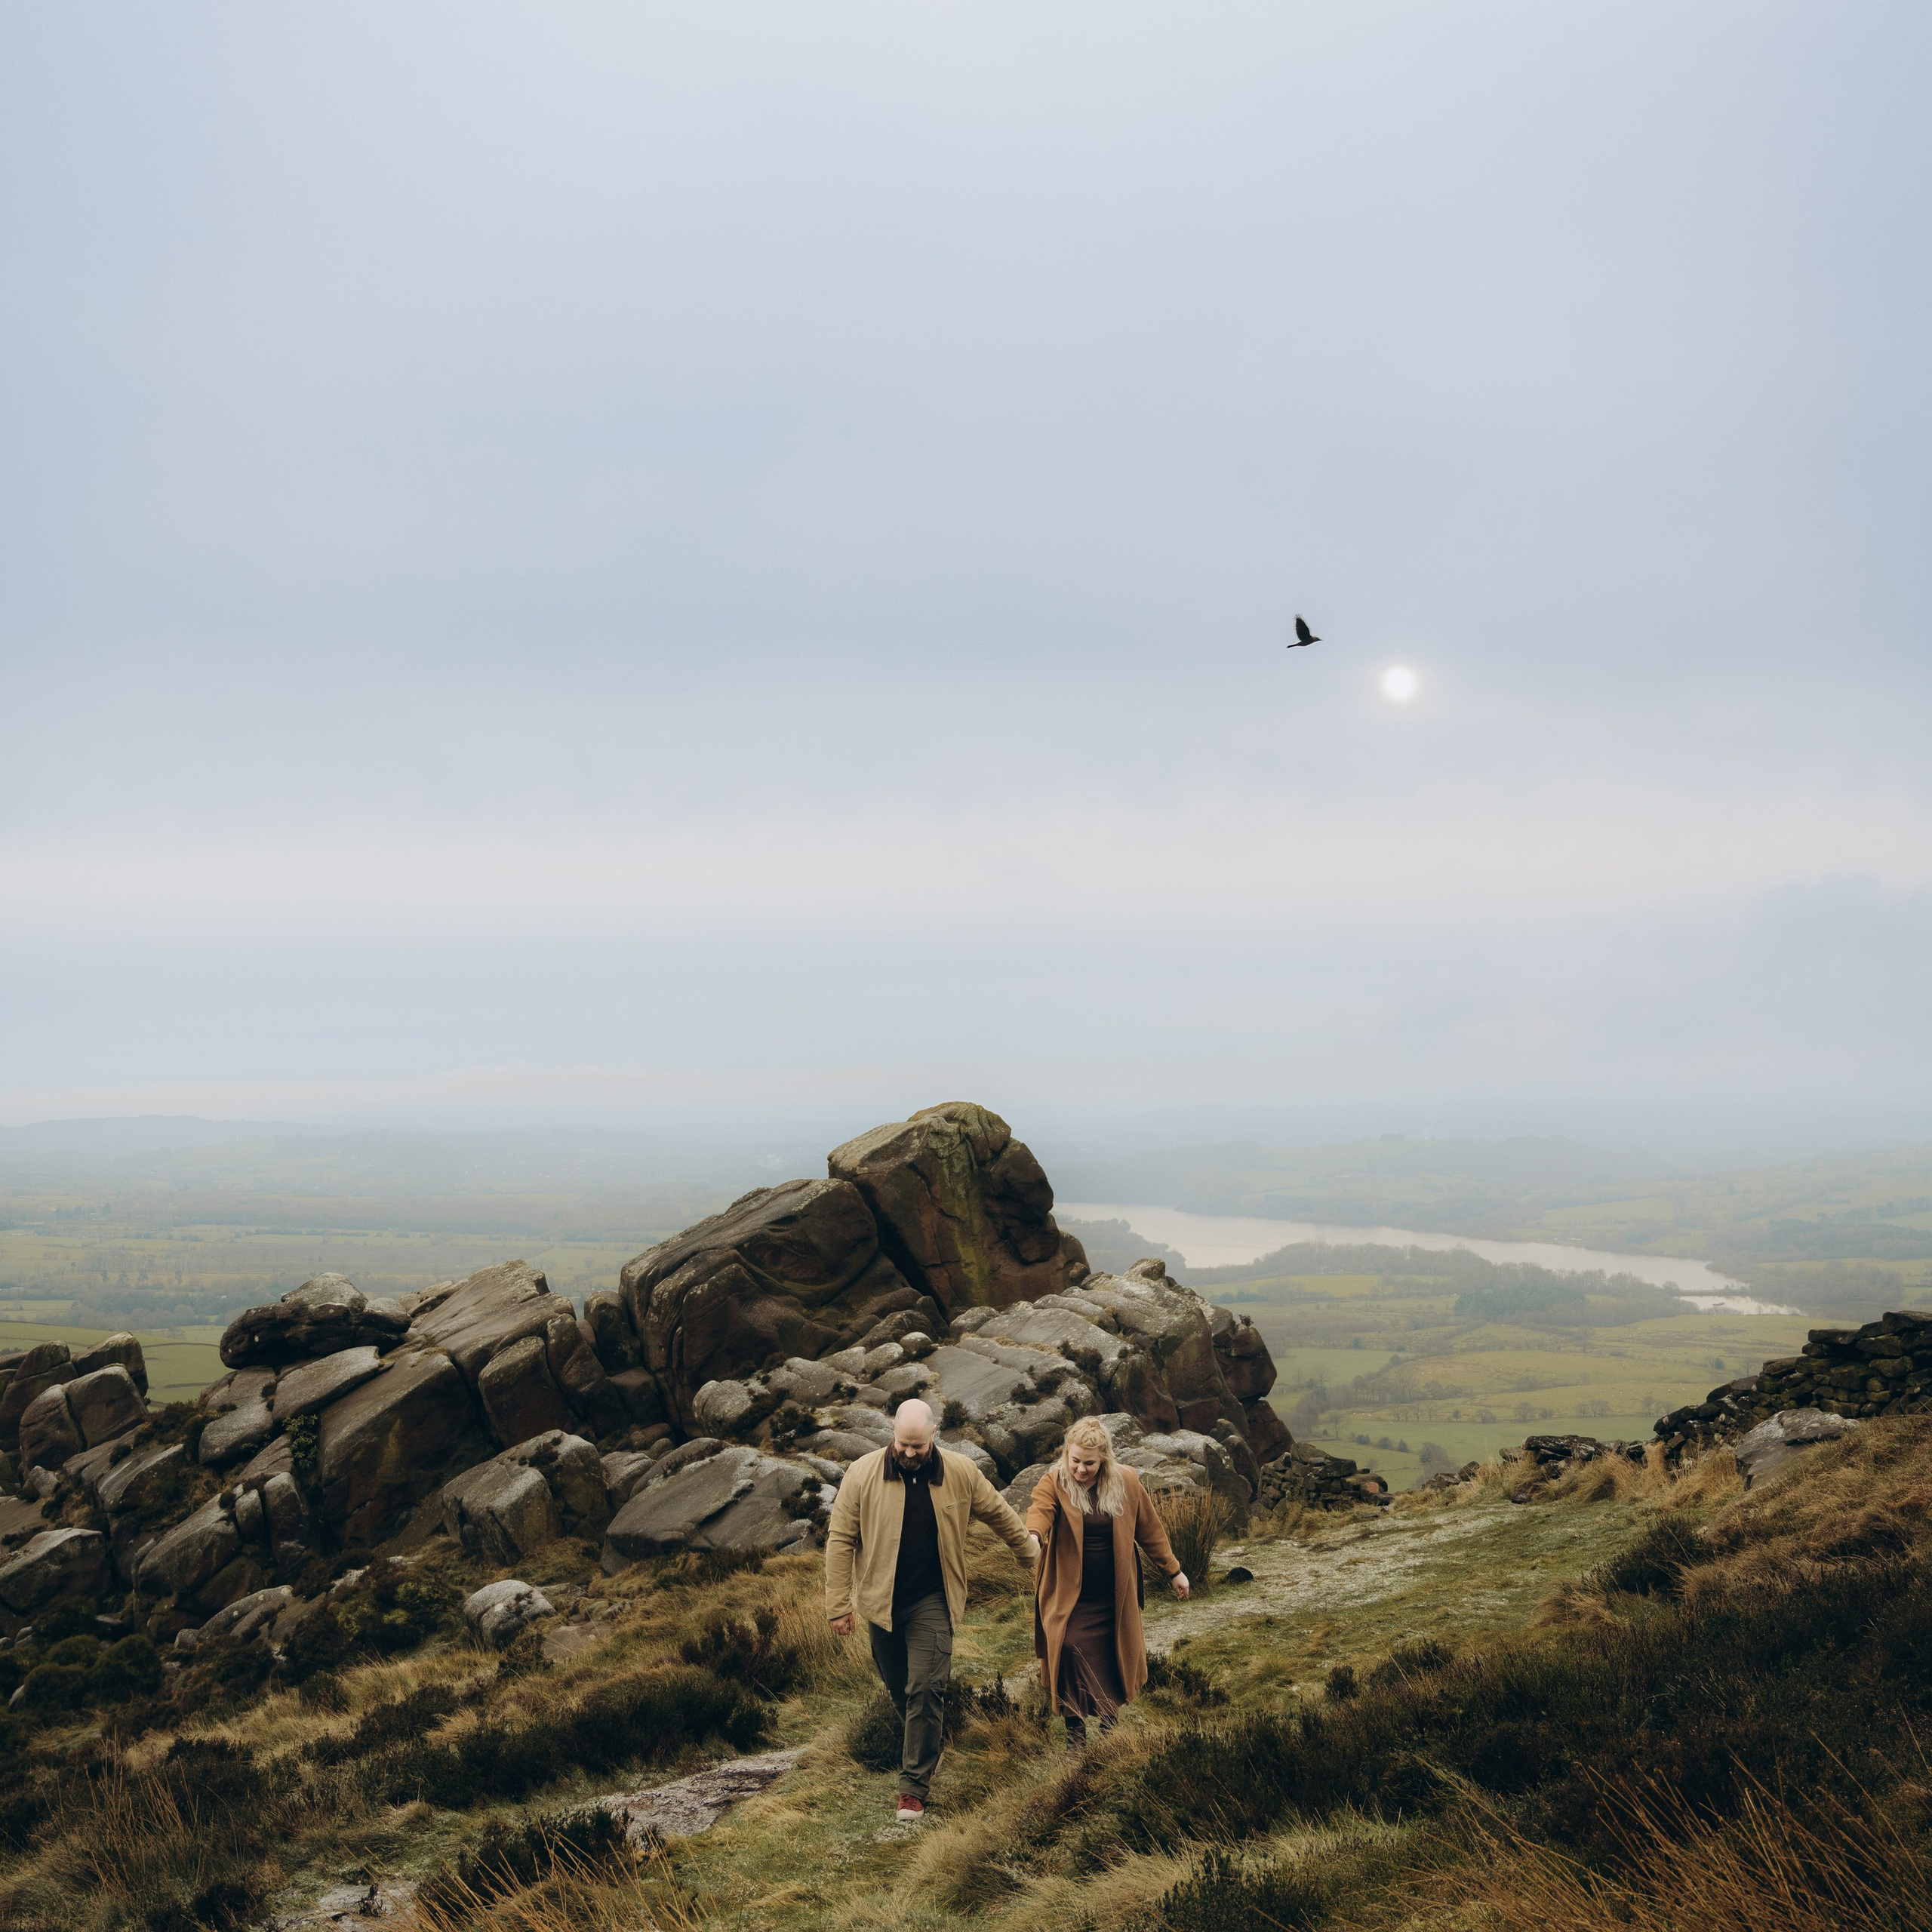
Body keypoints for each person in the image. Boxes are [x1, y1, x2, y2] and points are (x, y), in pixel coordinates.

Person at [825, 1397, 1039, 1820]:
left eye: (917, 1447)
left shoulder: (960, 1472)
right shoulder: (862, 1473)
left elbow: (999, 1513)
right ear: (892, 1433)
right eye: (902, 1445)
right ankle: (931, 1742)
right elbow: (840, 1538)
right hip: (881, 1604)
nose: (908, 1453)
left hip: (934, 1600)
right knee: (901, 1689)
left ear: (933, 1436)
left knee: (926, 1689)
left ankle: (913, 1789)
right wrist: (838, 1605)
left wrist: (1030, 1554)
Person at [1027, 1415, 1189, 1746]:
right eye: (1075, 1461)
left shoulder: (1126, 1482)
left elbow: (1150, 1531)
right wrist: (1032, 1537)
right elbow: (1039, 1512)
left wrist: (1174, 1571)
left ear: (1104, 1458)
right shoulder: (1054, 1481)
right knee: (1068, 1648)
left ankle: (1108, 1732)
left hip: (1114, 1596)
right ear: (1066, 1455)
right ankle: (1075, 1735)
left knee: (1112, 1655)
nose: (1081, 1470)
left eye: (1089, 1463)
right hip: (1068, 1595)